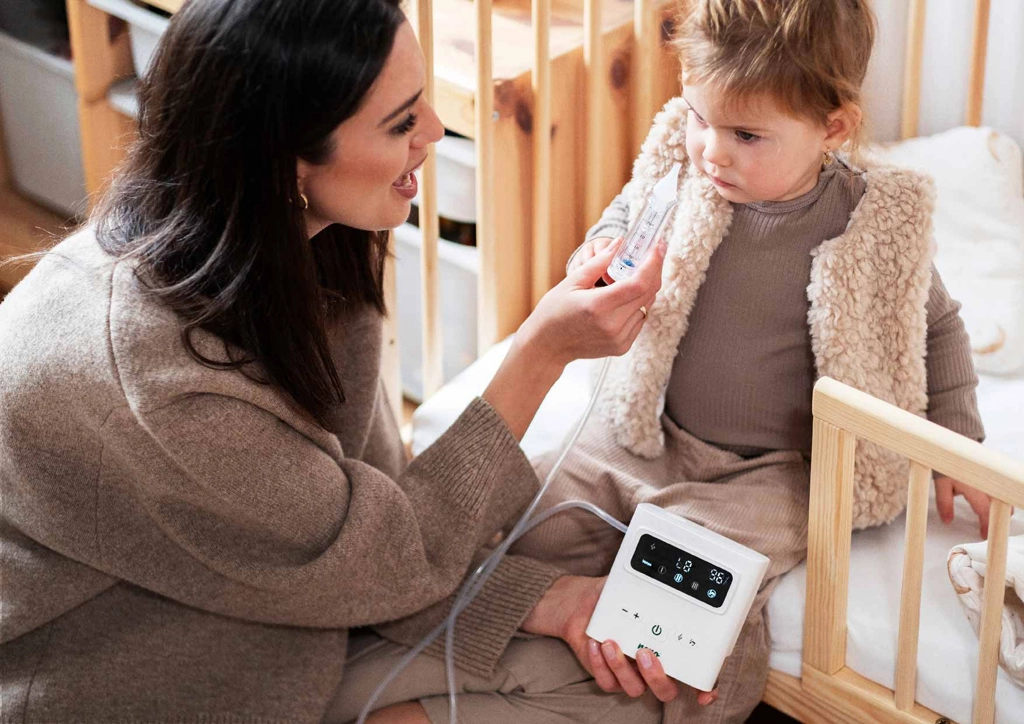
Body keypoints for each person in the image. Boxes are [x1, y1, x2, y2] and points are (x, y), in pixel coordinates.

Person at [0, 0, 690, 721]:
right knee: (625, 692)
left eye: (421, 101)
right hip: (133, 676)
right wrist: (540, 353)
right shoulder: (162, 388)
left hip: (290, 601)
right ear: (285, 163)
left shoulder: (298, 240)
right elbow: (384, 554)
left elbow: (359, 517)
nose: (434, 131)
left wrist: (540, 599)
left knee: (623, 654)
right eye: (400, 123)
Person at [512, 1, 988, 722]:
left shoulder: (867, 225)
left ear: (832, 128)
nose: (712, 152)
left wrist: (958, 440)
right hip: (647, 433)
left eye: (746, 135)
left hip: (768, 473)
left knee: (701, 613)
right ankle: (501, 666)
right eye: (698, 118)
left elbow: (938, 325)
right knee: (523, 518)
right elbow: (624, 216)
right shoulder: (681, 173)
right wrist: (600, 251)